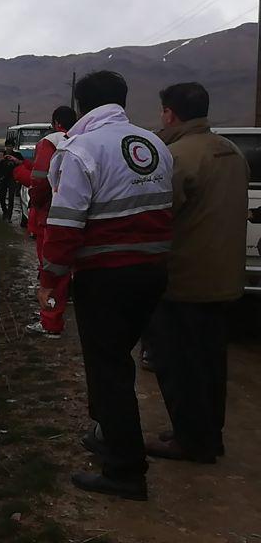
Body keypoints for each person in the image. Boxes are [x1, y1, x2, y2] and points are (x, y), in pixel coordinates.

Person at [38, 70, 173, 501]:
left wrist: (50, 279)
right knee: (120, 360)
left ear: (80, 106)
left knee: (108, 369)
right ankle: (110, 437)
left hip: (106, 275)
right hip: (153, 272)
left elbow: (64, 224)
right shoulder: (154, 144)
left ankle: (124, 470)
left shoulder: (82, 150)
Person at [144, 82, 247, 464]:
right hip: (224, 277)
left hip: (184, 277)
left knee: (178, 363)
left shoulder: (177, 156)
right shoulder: (231, 151)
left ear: (170, 113)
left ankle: (190, 441)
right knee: (211, 361)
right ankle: (207, 433)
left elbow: (159, 214)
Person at [15, 105, 78, 338]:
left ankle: (50, 323)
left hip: (52, 216)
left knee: (51, 268)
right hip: (83, 215)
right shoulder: (84, 139)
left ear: (55, 123)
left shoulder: (49, 143)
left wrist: (35, 201)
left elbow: (40, 181)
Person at [0, 142, 24, 221]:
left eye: (10, 146)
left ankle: (9, 216)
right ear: (5, 147)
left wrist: (15, 160)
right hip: (3, 178)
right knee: (2, 198)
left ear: (13, 147)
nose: (8, 148)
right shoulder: (1, 154)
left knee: (11, 198)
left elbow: (23, 164)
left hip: (12, 178)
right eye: (7, 146)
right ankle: (5, 211)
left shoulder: (17, 155)